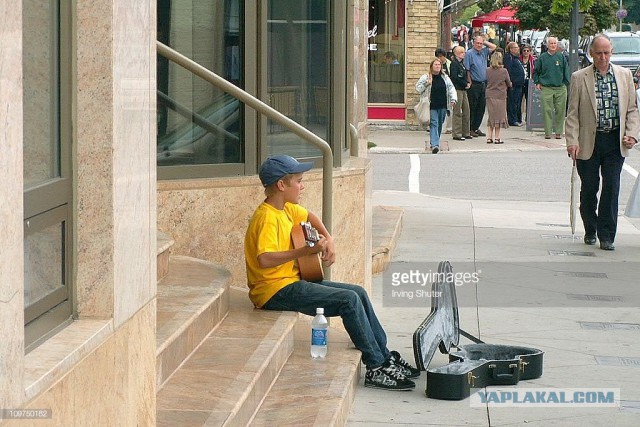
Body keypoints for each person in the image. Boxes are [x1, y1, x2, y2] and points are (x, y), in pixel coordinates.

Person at [244, 155, 420, 390]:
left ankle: (385, 356)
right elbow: (264, 259)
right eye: (298, 181)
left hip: (289, 283)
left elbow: (309, 216)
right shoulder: (266, 217)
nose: (302, 186)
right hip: (273, 291)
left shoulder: (285, 209)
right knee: (348, 300)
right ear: (281, 185)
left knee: (358, 292)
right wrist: (305, 250)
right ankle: (376, 367)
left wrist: (329, 239)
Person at [565, 34, 640, 251]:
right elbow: (573, 114)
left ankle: (607, 235)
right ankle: (590, 228)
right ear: (591, 54)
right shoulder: (580, 78)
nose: (603, 57)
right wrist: (572, 141)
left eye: (607, 53)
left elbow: (632, 110)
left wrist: (632, 134)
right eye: (599, 53)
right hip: (589, 141)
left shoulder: (624, 75)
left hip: (615, 141)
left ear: (612, 52)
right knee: (589, 188)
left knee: (612, 188)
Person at [416, 59, 457, 154]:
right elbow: (418, 88)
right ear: (431, 66)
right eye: (435, 65)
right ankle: (435, 145)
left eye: (439, 65)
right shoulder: (426, 77)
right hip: (431, 105)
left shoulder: (445, 77)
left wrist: (453, 99)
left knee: (440, 124)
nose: (437, 66)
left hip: (443, 104)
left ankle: (434, 141)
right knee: (434, 123)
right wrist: (427, 83)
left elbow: (451, 88)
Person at [533, 36, 570, 139]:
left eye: (555, 43)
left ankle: (558, 132)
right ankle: (548, 133)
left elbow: (566, 70)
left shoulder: (561, 57)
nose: (553, 45)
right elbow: (536, 71)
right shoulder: (542, 57)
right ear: (547, 45)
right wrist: (537, 82)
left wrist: (566, 83)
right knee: (546, 111)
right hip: (547, 87)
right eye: (551, 43)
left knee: (560, 110)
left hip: (560, 87)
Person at [464, 34, 497, 138]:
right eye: (477, 43)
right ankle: (470, 128)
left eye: (481, 43)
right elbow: (467, 69)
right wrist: (469, 82)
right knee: (473, 107)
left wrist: (484, 41)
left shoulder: (483, 52)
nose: (479, 45)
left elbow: (494, 47)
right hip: (474, 83)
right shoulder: (469, 53)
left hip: (483, 83)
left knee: (481, 107)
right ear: (473, 43)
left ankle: (476, 127)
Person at [485, 52, 512, 144]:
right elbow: (509, 83)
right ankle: (497, 137)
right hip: (500, 95)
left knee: (491, 116)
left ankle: (489, 137)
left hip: (490, 95)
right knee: (499, 117)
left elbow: (486, 80)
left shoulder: (488, 70)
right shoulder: (504, 71)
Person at [449, 45, 472, 140]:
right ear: (457, 54)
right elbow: (454, 77)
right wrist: (464, 83)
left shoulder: (462, 64)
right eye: (462, 52)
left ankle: (466, 132)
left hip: (464, 90)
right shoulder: (454, 64)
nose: (464, 54)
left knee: (466, 111)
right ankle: (457, 133)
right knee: (458, 112)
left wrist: (467, 83)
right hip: (457, 89)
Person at [504, 42, 525, 126]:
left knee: (518, 102)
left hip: (519, 84)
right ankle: (512, 120)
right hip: (513, 84)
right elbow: (508, 69)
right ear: (511, 49)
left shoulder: (516, 58)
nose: (518, 49)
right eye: (516, 48)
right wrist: (509, 81)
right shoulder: (509, 57)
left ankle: (518, 118)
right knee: (512, 102)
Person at [435, 48, 453, 134]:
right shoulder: (435, 64)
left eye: (440, 56)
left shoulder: (449, 64)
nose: (439, 58)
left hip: (447, 88)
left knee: (448, 109)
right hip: (437, 89)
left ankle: (448, 127)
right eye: (437, 56)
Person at [519, 44, 535, 124]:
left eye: (527, 51)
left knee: (529, 100)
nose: (526, 52)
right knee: (520, 100)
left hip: (530, 81)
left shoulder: (533, 60)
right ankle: (519, 118)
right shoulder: (519, 60)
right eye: (524, 51)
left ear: (530, 52)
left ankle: (528, 118)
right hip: (521, 81)